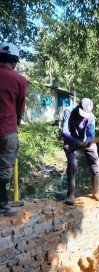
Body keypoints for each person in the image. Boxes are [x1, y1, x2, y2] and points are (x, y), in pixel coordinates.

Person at [0, 42, 27, 216]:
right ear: (15, 61)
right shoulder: (19, 80)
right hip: (7, 130)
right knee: (5, 168)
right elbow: (20, 108)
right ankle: (3, 206)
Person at [62, 98, 99, 205]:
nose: (83, 116)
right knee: (72, 164)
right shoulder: (69, 111)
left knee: (95, 161)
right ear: (78, 106)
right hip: (71, 139)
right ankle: (70, 195)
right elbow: (65, 132)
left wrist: (88, 142)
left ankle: (96, 191)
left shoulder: (91, 117)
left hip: (84, 140)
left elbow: (91, 135)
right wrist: (76, 142)